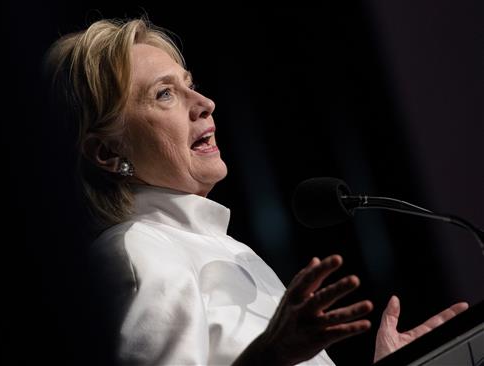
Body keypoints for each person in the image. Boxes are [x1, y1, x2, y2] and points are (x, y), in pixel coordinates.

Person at [45, 17, 468, 365]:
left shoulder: (227, 249)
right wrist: (268, 357)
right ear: (106, 151)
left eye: (189, 83)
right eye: (165, 94)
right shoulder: (137, 253)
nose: (204, 102)